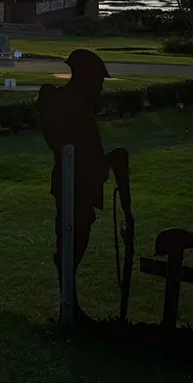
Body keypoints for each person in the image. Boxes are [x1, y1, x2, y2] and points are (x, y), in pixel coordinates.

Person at [38, 49, 126, 322]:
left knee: (79, 240)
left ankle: (70, 304)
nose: (100, 88)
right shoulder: (65, 104)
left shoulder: (81, 108)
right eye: (98, 81)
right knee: (72, 242)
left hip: (83, 186)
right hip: (71, 186)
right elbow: (68, 147)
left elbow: (89, 154)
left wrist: (110, 161)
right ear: (85, 79)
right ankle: (69, 307)